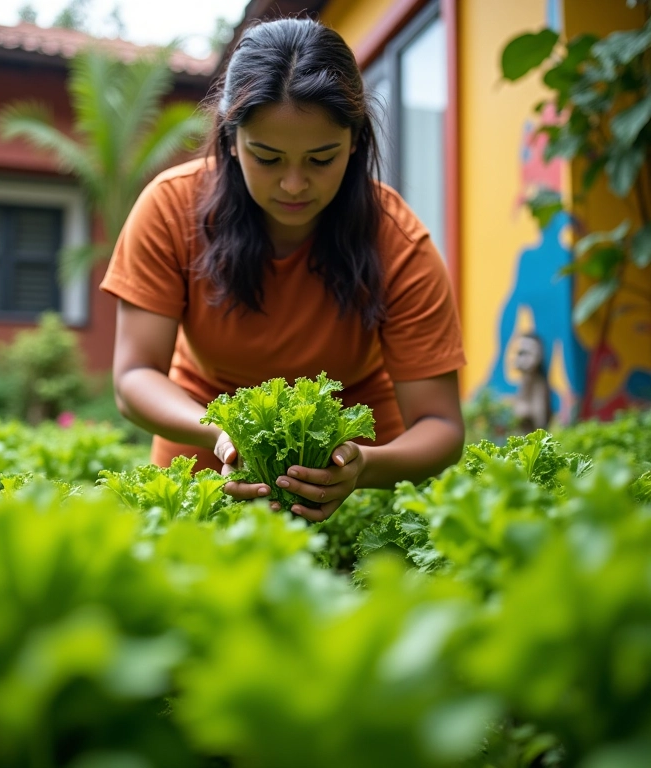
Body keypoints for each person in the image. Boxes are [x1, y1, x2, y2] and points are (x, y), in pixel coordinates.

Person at [100, 17, 466, 522]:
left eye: (321, 159)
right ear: (231, 139)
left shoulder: (398, 242)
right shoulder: (170, 209)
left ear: (356, 142)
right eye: (268, 158)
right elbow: (135, 376)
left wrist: (362, 468)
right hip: (204, 454)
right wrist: (223, 434)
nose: (294, 185)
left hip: (356, 475)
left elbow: (439, 424)